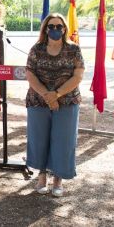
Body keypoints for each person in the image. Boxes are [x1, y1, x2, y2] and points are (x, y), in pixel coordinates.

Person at [25, 13, 84, 197]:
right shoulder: (36, 49)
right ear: (45, 29)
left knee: (63, 141)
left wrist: (56, 95)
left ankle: (58, 179)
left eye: (59, 26)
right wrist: (47, 95)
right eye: (51, 26)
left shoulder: (74, 50)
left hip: (67, 102)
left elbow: (78, 76)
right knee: (40, 138)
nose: (55, 30)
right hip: (38, 101)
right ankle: (42, 176)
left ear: (65, 29)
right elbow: (30, 74)